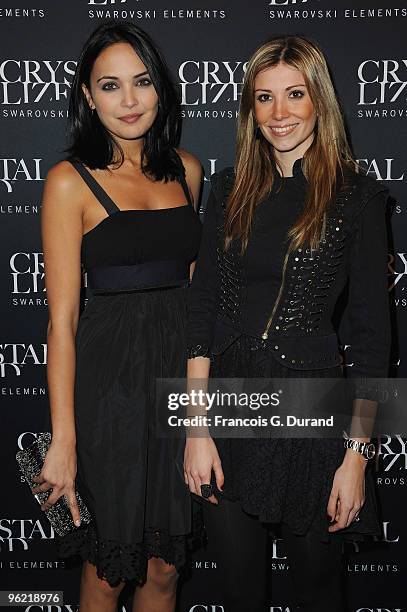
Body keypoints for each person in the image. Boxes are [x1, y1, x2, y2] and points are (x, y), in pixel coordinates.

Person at [184, 35, 390, 611]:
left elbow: (374, 342)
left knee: (320, 593)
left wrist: (355, 459)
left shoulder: (357, 197)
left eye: (294, 95)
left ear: (318, 100)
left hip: (314, 413)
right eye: (264, 98)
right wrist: (196, 431)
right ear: (250, 109)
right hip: (228, 408)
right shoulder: (227, 192)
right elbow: (202, 314)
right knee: (239, 592)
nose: (280, 114)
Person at [35, 21, 202, 612]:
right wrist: (64, 438)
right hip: (110, 386)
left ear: (161, 89)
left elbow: (192, 291)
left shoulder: (188, 169)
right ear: (87, 95)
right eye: (111, 85)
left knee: (163, 567)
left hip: (179, 381)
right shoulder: (67, 182)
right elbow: (61, 319)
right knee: (109, 568)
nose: (129, 101)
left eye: (142, 82)